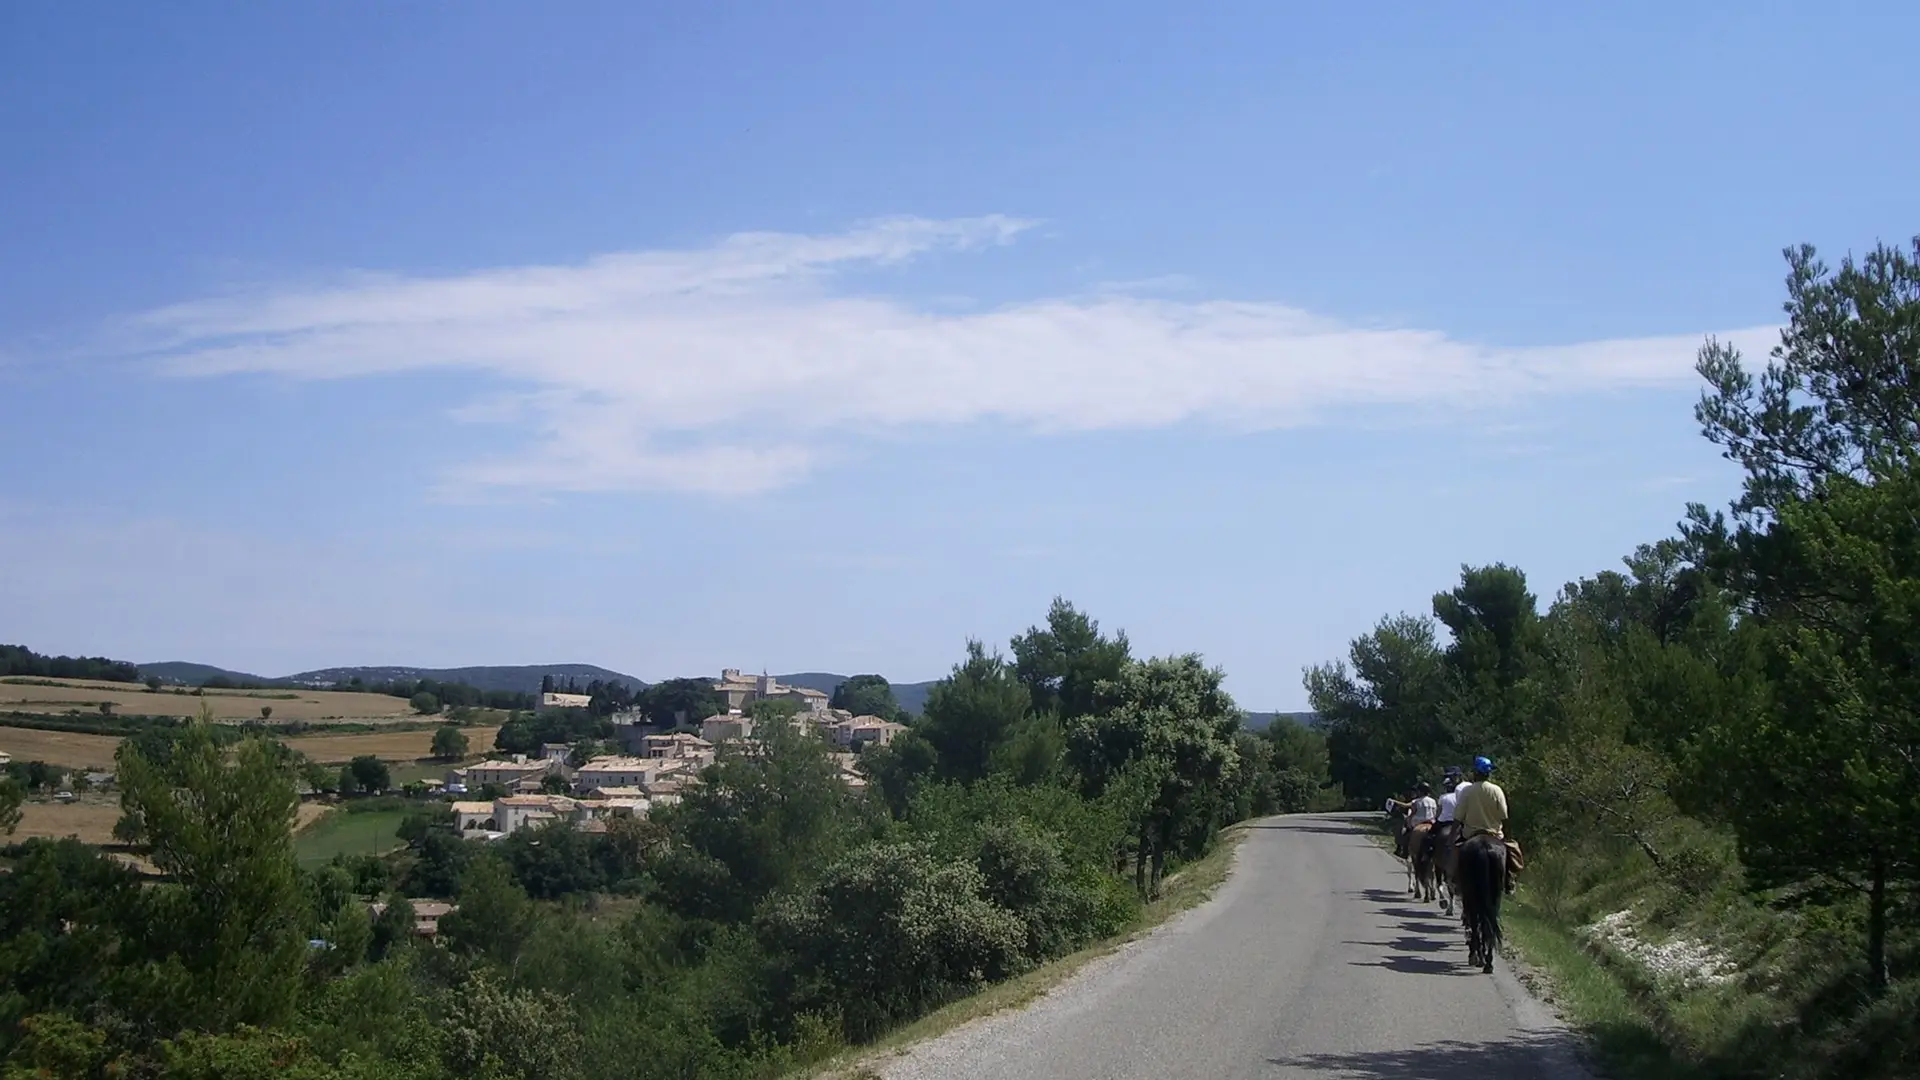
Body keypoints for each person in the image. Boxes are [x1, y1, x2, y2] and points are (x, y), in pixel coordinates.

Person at [1454, 755, 1524, 894]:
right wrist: (1508, 836)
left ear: (1475, 773)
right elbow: (1504, 815)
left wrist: (1452, 836)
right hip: (1495, 834)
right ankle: (1509, 880)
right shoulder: (1496, 790)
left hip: (1470, 834)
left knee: (1456, 854)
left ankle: (1457, 881)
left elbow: (1458, 817)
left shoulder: (1467, 791)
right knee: (1513, 853)